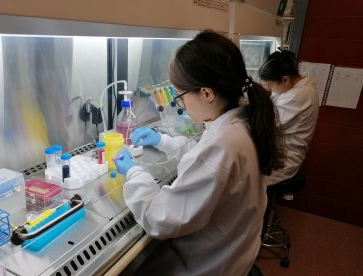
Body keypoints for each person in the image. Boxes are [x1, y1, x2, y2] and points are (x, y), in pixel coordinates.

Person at [115, 30, 284, 275]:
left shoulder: (223, 144)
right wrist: (162, 140)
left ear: (206, 93)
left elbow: (159, 219)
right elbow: (207, 157)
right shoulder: (243, 122)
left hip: (209, 266)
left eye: (180, 95)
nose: (180, 104)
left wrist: (133, 173)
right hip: (237, 254)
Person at [259, 49, 319, 186]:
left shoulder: (299, 95)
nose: (270, 90)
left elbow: (267, 123)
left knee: (246, 179)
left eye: (271, 86)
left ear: (285, 79)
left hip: (285, 159)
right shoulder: (299, 82)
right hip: (278, 149)